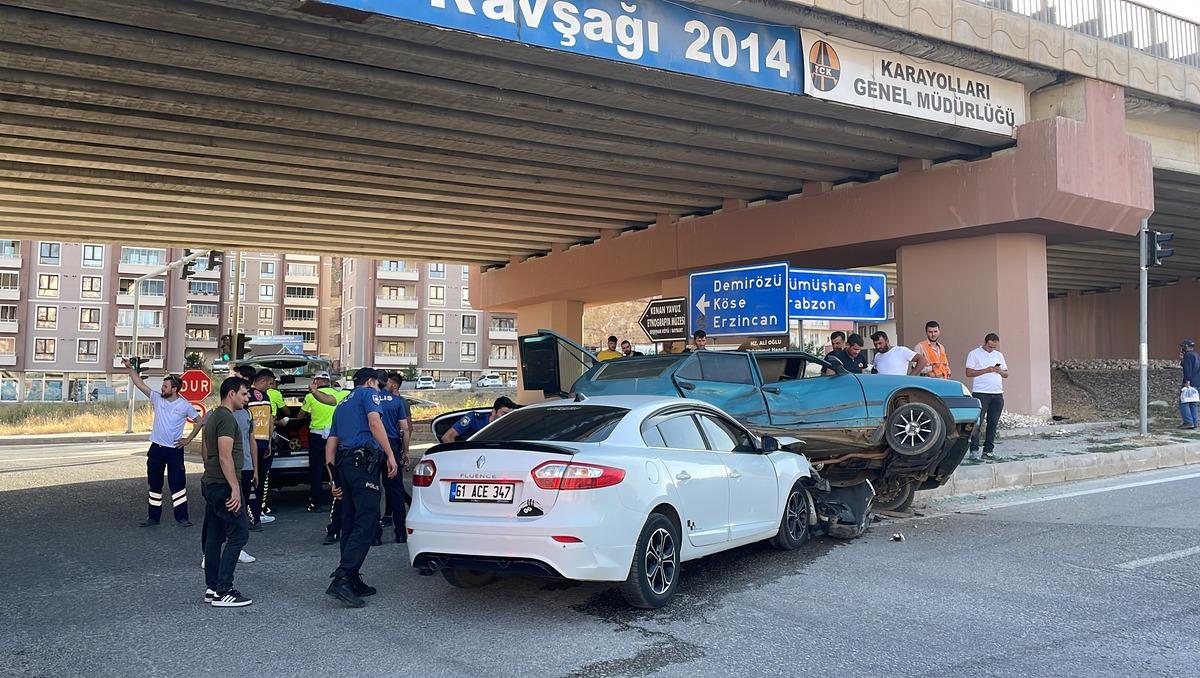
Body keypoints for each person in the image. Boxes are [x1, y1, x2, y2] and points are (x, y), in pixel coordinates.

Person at [324, 368, 399, 608]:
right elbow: (375, 423)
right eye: (379, 385)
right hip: (362, 463)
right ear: (369, 382)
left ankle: (353, 578)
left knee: (350, 519)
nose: (380, 389)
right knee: (368, 519)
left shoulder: (342, 404)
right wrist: (390, 455)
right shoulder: (368, 393)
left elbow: (331, 444)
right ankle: (344, 576)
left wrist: (333, 479)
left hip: (345, 465)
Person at [125, 359, 202, 528]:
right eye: (162, 386)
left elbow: (199, 421)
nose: (162, 389)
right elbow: (139, 384)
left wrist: (188, 440)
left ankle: (182, 517)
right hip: (156, 449)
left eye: (165, 386)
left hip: (174, 450)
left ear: (174, 389)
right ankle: (153, 517)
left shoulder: (184, 405)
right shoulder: (157, 399)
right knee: (154, 483)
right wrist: (130, 369)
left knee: (178, 484)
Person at [202, 376, 253, 607]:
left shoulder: (214, 416)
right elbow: (224, 455)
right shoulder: (225, 418)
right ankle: (224, 590)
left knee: (214, 536)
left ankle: (212, 588)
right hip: (222, 485)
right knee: (240, 533)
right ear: (231, 394)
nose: (247, 398)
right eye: (244, 393)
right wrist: (234, 488)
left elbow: (207, 453)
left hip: (212, 482)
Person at [296, 371, 346, 515]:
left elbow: (300, 416)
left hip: (317, 436)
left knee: (316, 469)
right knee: (334, 467)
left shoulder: (310, 395)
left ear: (316, 381)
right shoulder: (337, 394)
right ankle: (338, 497)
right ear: (328, 381)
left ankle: (315, 502)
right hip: (334, 436)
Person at [377, 371, 412, 544]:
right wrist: (405, 452)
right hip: (392, 445)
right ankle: (400, 533)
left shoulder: (371, 399)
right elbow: (405, 429)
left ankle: (375, 536)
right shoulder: (398, 402)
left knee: (373, 490)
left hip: (373, 446)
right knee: (396, 491)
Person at [965, 333, 1008, 459]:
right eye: (989, 346)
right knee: (977, 422)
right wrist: (987, 370)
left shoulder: (998, 355)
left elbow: (1006, 374)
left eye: (994, 347)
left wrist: (1000, 371)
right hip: (981, 393)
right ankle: (974, 450)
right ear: (985, 342)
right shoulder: (974, 354)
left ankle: (988, 450)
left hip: (997, 393)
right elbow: (968, 372)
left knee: (993, 423)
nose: (991, 349)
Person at [440, 396, 517, 444]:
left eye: (509, 415)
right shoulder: (474, 419)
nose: (506, 417)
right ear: (494, 412)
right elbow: (447, 437)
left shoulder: (508, 428)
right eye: (503, 414)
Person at [1180, 340, 1200, 430]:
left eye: (1182, 346)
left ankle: (1188, 422)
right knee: (1193, 402)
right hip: (1197, 381)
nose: (1181, 348)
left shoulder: (1187, 355)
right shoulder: (1196, 355)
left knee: (1183, 402)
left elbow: (1187, 368)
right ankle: (1194, 422)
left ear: (1186, 346)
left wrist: (1187, 381)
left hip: (1190, 382)